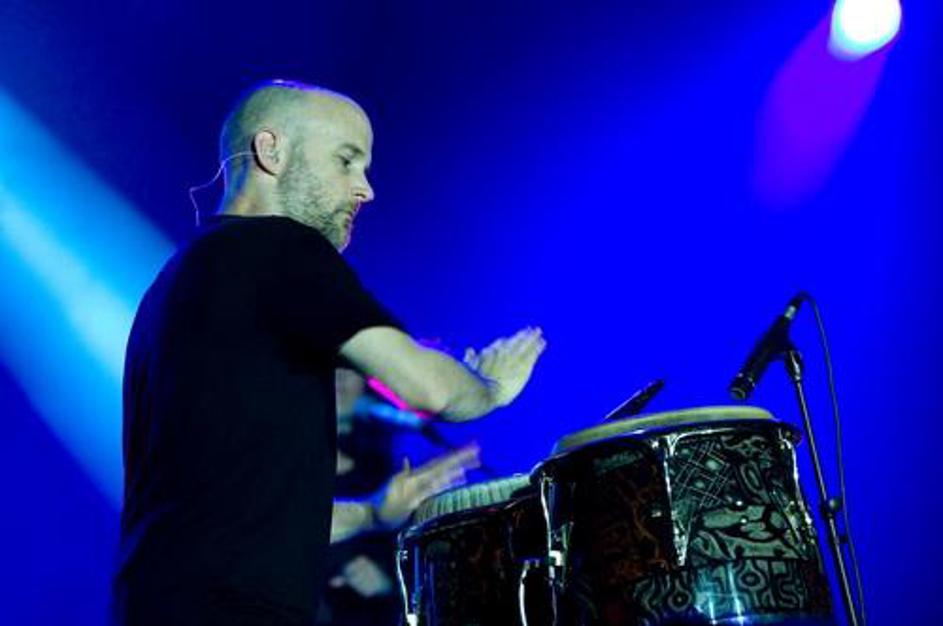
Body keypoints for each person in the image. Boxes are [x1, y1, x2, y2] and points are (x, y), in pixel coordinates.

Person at [112, 79, 546, 626]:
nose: (366, 189)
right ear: (271, 151)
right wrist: (490, 388)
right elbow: (430, 389)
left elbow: (231, 513)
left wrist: (373, 514)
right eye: (346, 161)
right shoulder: (279, 247)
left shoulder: (182, 278)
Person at [317, 368, 479, 625]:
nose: (340, 378)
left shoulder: (385, 474)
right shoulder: (279, 472)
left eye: (349, 368)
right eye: (331, 366)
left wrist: (387, 584)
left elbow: (422, 574)